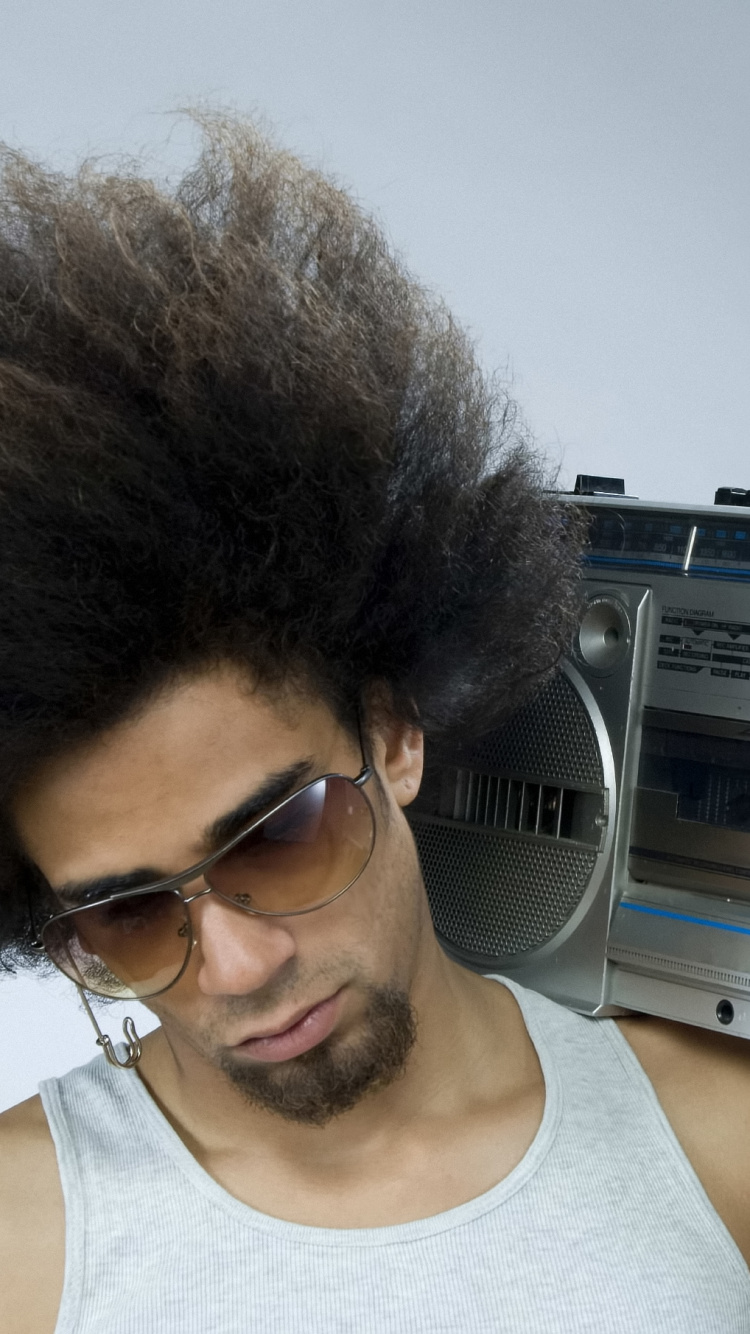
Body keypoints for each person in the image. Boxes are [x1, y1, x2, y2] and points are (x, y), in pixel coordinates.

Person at [0, 116, 747, 1334]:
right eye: (129, 915)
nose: (239, 968)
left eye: (279, 835)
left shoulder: (716, 1140)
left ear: (395, 734)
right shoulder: (18, 1244)